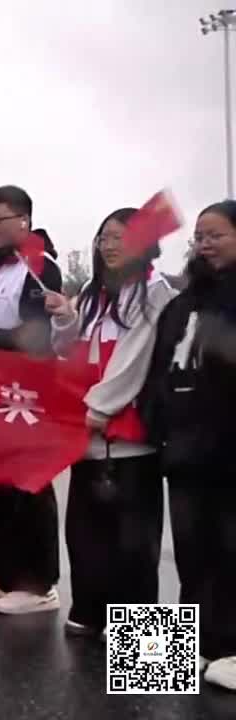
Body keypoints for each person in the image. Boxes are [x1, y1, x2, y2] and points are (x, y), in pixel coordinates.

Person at [48, 207, 175, 635]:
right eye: (104, 238)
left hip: (130, 439)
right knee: (86, 535)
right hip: (88, 437)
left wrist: (100, 407)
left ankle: (150, 653)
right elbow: (70, 351)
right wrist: (64, 320)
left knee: (135, 547)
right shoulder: (92, 292)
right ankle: (90, 612)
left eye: (121, 237)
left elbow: (135, 357)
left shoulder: (153, 292)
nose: (110, 245)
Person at [140, 200, 236, 690]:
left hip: (229, 449)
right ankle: (184, 651)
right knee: (192, 550)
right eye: (200, 235)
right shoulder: (182, 302)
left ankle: (231, 647)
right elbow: (160, 368)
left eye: (217, 234)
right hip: (183, 447)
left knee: (230, 548)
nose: (205, 244)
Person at [0, 184, 64, 615]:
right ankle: (8, 570)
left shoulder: (41, 268)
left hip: (27, 396)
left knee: (29, 486)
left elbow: (34, 333)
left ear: (24, 220)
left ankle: (39, 582)